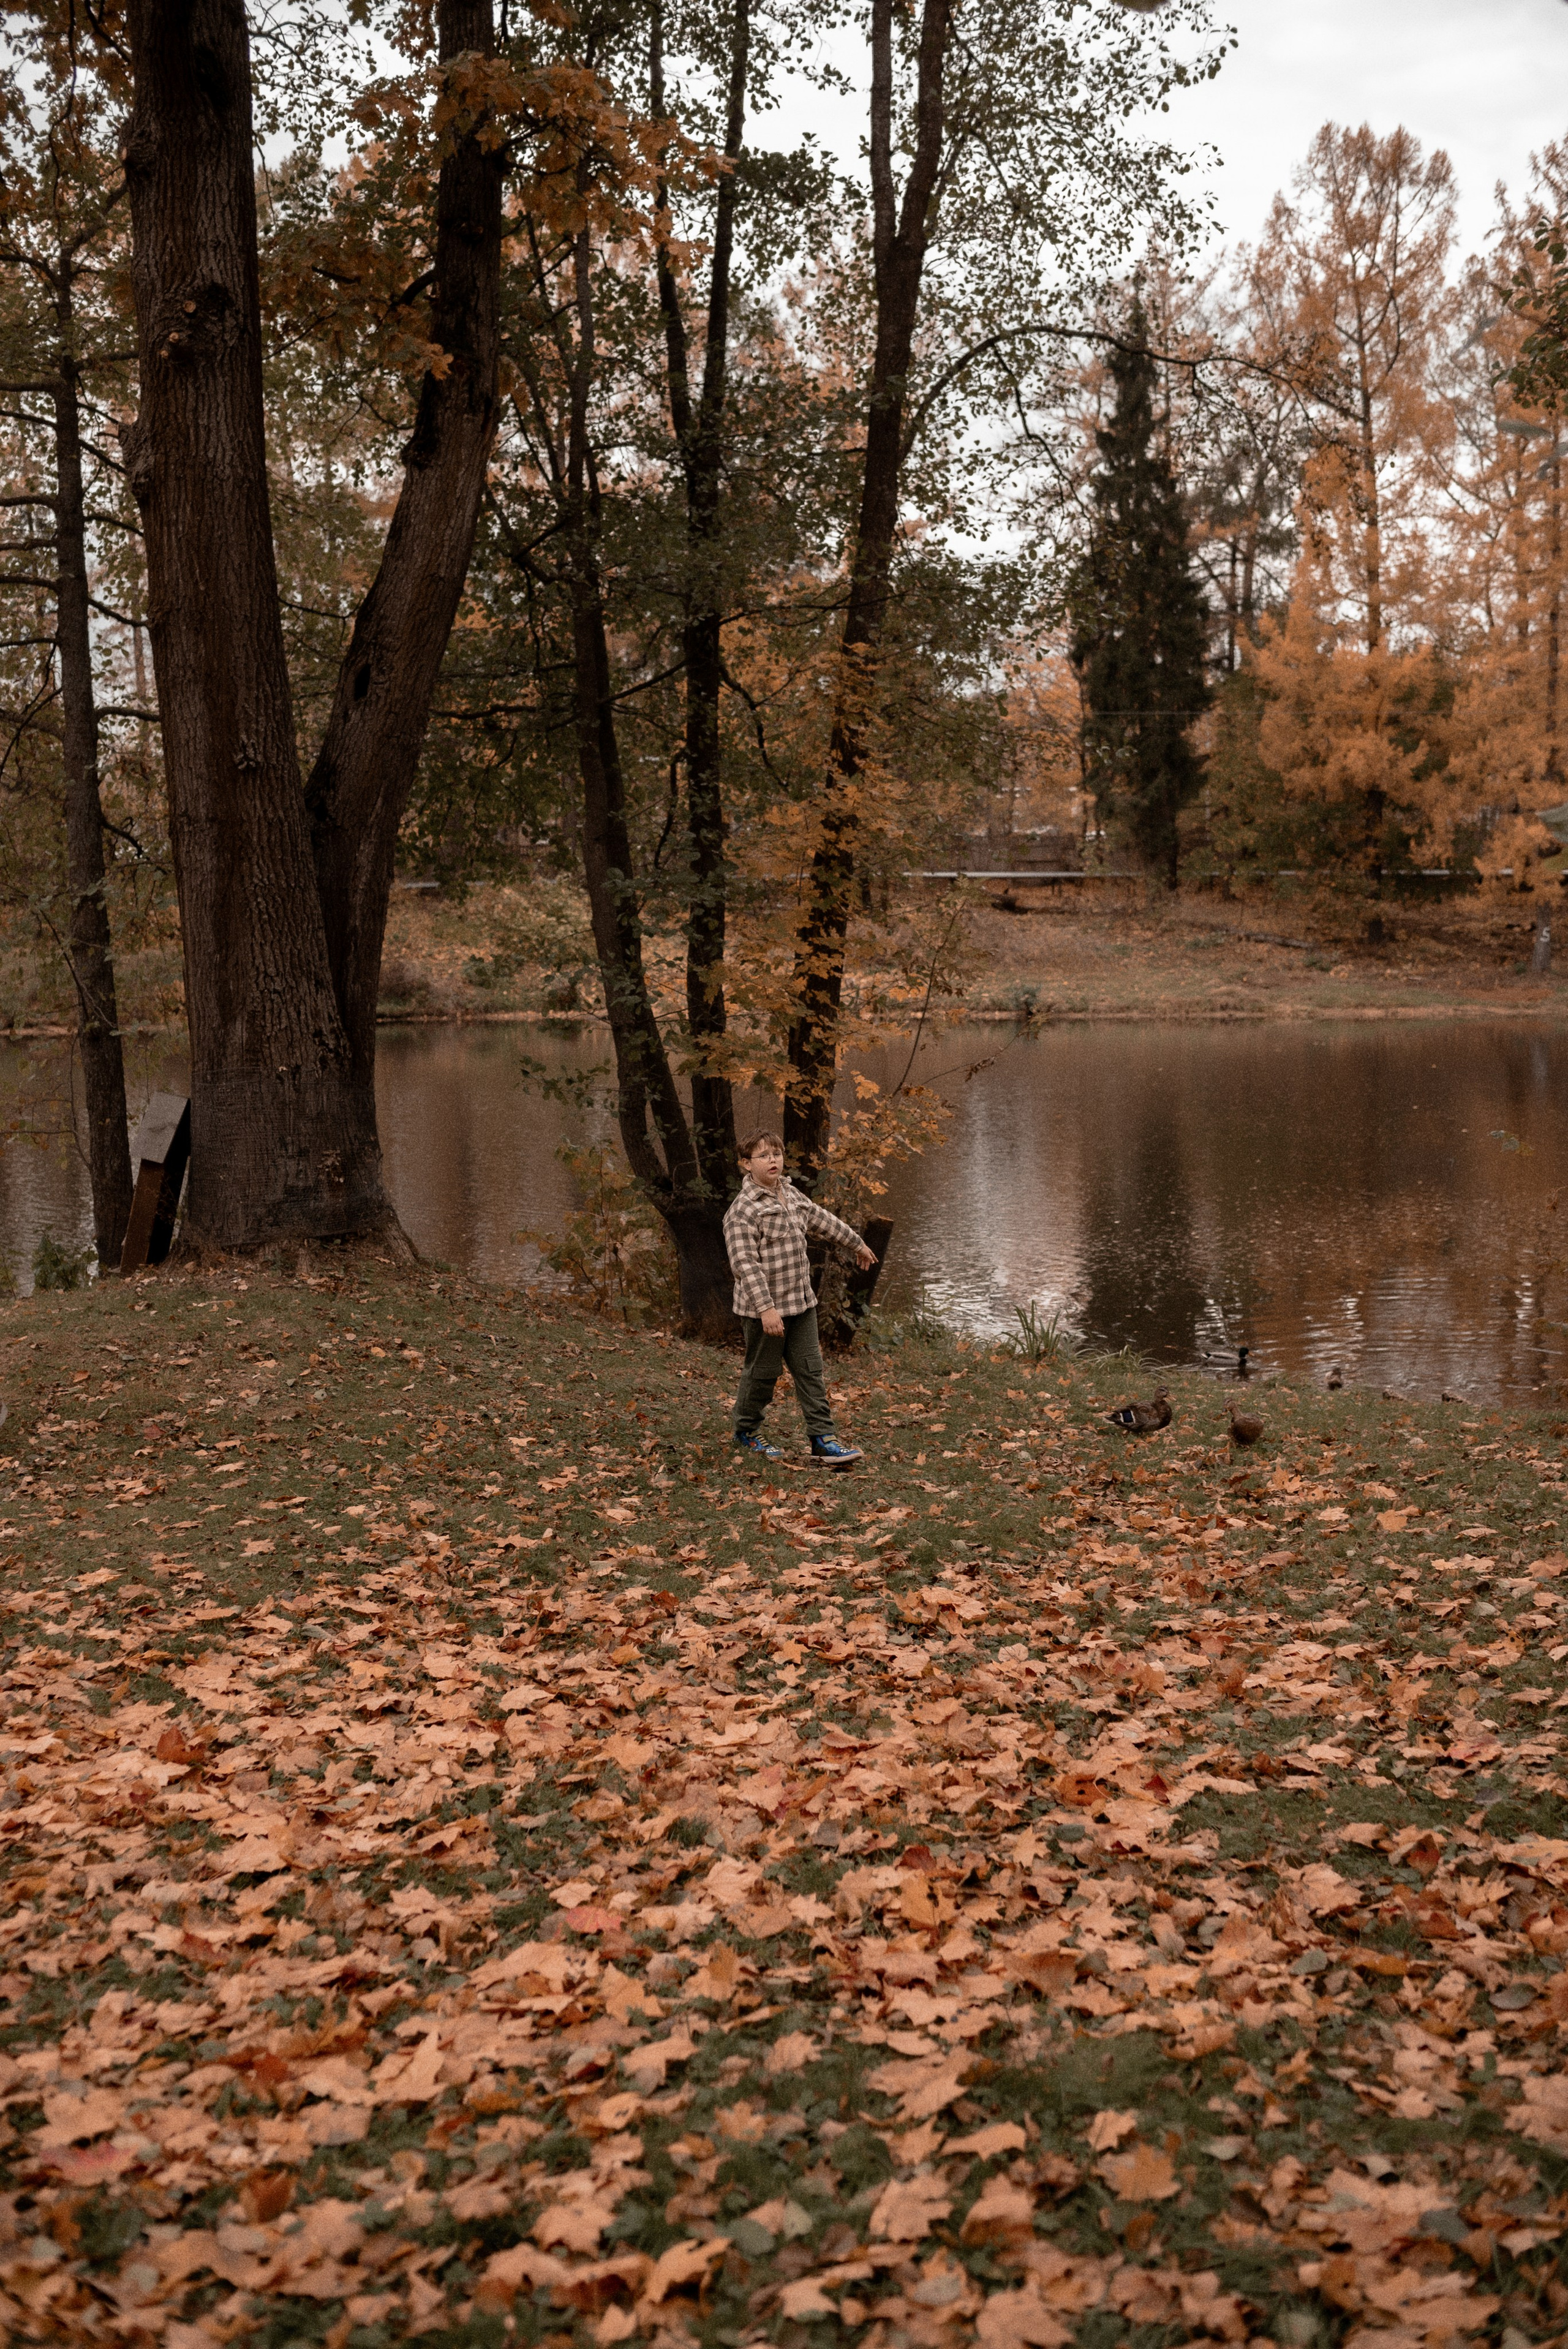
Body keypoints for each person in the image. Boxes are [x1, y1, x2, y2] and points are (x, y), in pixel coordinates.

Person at [724, 1129, 878, 1465]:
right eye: (763, 1156)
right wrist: (766, 1309)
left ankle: (823, 1440)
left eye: (776, 1153)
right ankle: (746, 1432)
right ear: (746, 1164)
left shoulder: (790, 1195)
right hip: (763, 1310)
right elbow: (744, 1264)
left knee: (811, 1370)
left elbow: (823, 1221)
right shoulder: (743, 1211)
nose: (773, 1160)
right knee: (763, 1374)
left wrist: (857, 1244)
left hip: (801, 1305)